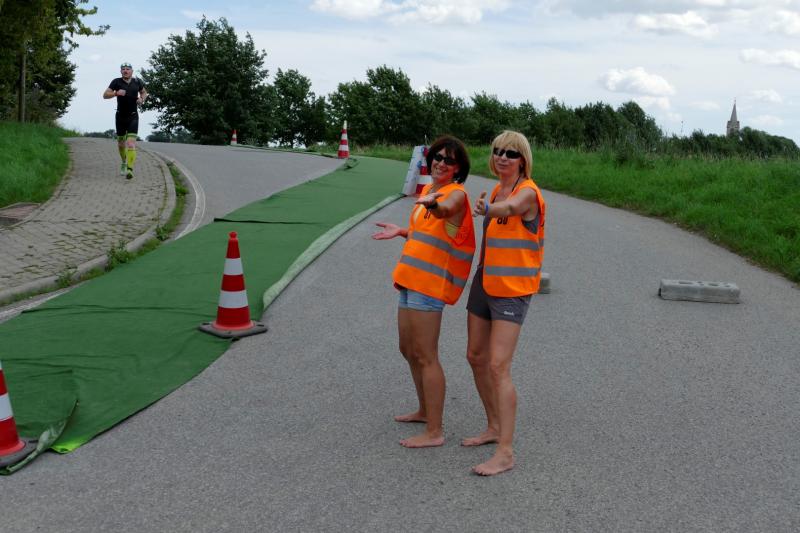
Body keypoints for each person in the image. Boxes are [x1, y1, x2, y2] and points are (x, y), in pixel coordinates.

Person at [373, 136, 475, 448]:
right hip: (410, 280)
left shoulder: (455, 195)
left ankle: (435, 431)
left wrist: (435, 205)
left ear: (458, 168)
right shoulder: (429, 190)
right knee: (408, 349)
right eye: (437, 157)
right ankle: (423, 411)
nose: (441, 163)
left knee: (426, 355)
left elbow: (445, 211)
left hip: (428, 287)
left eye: (449, 160)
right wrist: (402, 231)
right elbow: (427, 234)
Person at [463, 130, 546, 476]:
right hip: (486, 283)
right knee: (475, 356)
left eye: (510, 153)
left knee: (498, 366)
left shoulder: (527, 193)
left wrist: (488, 208)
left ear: (523, 160)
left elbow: (511, 209)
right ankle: (494, 425)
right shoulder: (497, 188)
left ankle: (506, 452)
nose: (502, 157)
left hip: (512, 289)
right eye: (498, 151)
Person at [103, 62, 147, 179]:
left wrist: (141, 99)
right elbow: (105, 95)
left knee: (131, 143)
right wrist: (115, 93)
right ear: (121, 71)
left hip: (133, 116)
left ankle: (130, 169)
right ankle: (124, 162)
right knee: (121, 144)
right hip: (120, 116)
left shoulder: (137, 81)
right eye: (123, 69)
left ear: (132, 71)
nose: (125, 71)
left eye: (128, 69)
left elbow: (144, 92)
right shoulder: (116, 82)